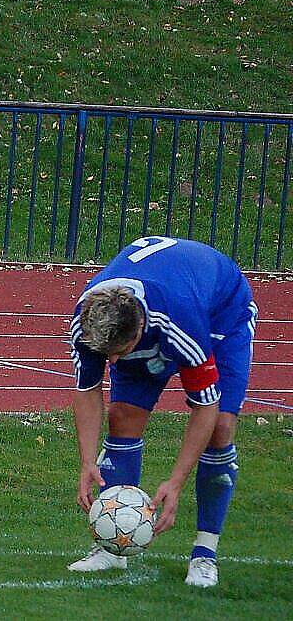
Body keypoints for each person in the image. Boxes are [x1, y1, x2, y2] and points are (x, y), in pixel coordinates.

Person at [67, 236, 257, 587]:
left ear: (139, 328)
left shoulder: (179, 320)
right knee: (122, 415)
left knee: (221, 428)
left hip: (220, 314)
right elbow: (88, 390)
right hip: (164, 303)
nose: (112, 362)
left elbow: (206, 406)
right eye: (107, 353)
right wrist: (86, 461)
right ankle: (113, 551)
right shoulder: (88, 321)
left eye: (119, 352)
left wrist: (176, 482)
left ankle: (204, 555)